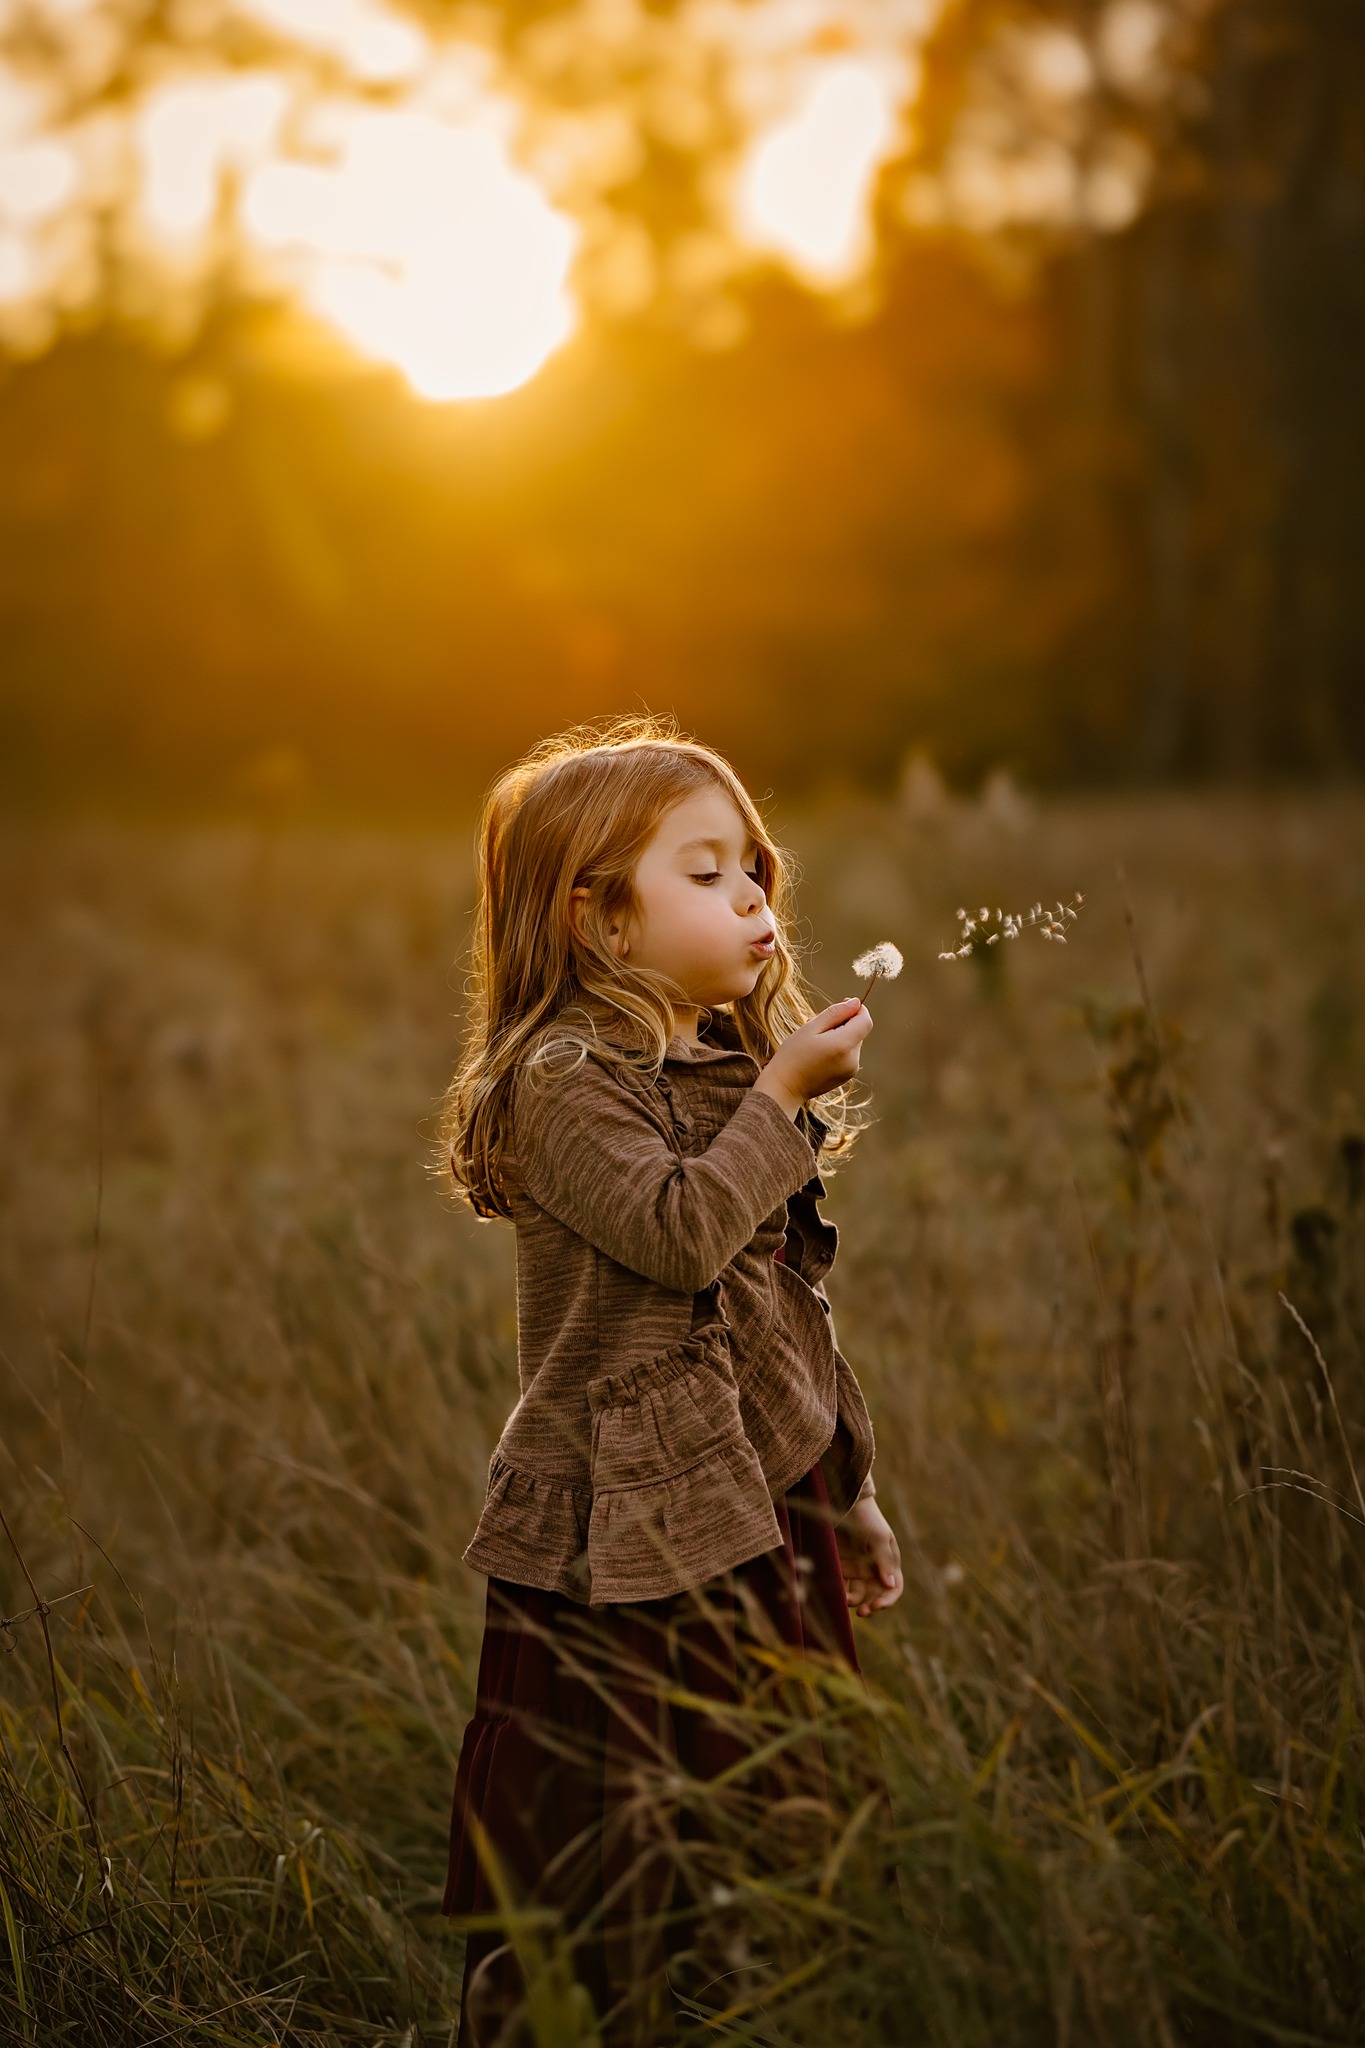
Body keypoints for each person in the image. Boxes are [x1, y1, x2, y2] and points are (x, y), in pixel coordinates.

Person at [438, 716, 903, 2045]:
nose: (751, 893)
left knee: (775, 1827)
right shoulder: (560, 1084)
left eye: (751, 865)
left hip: (767, 1507)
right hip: (627, 1539)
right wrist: (782, 1095)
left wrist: (849, 1490)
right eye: (701, 873)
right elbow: (683, 1234)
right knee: (601, 1846)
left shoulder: (713, 1071)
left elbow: (777, 1315)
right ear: (601, 923)